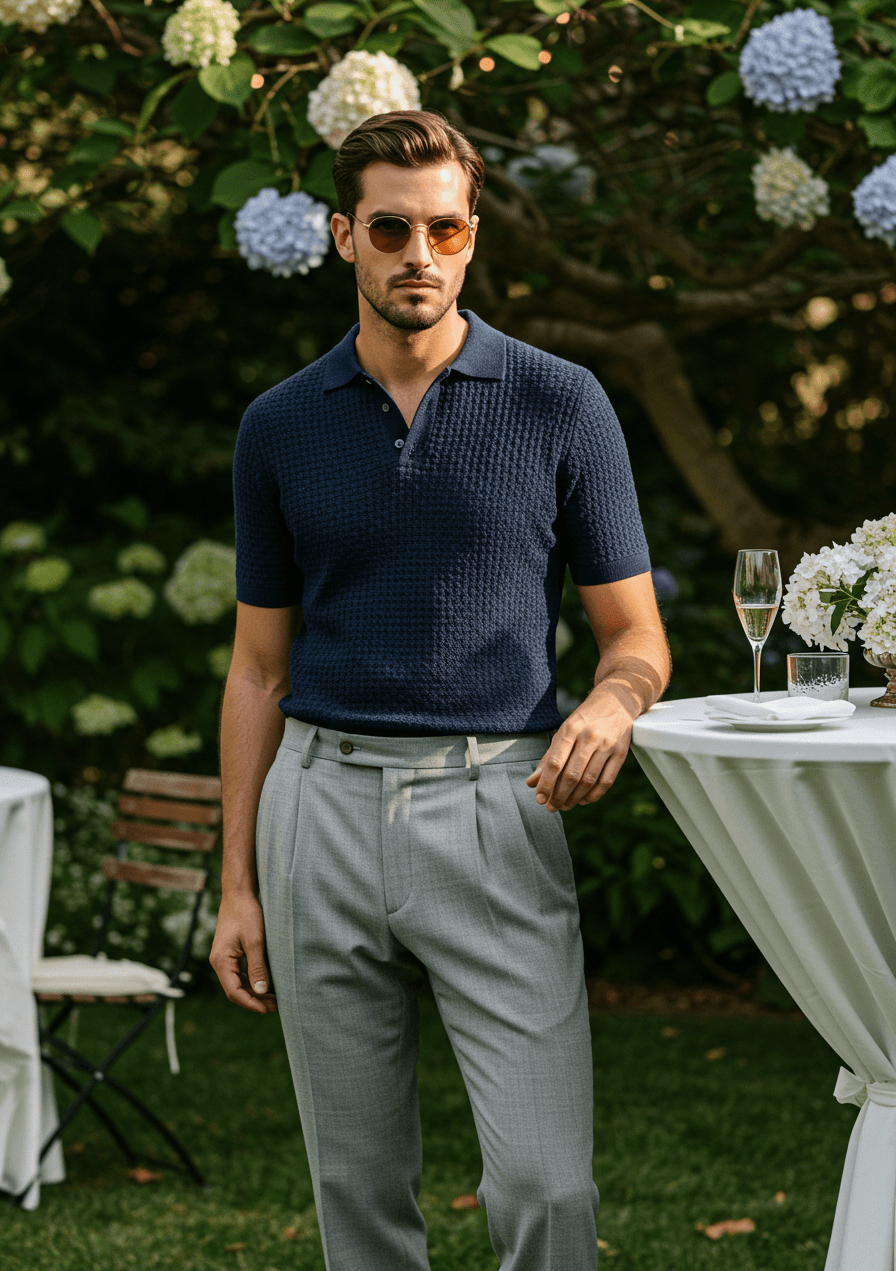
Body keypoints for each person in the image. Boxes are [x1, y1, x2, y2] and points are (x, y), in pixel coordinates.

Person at [210, 108, 671, 1271]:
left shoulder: (560, 401)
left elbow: (635, 640)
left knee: (545, 1184)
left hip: (498, 809)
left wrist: (611, 705)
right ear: (341, 237)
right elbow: (257, 666)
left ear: (472, 239)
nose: (420, 252)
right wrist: (237, 883)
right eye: (390, 227)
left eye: (445, 228)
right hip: (316, 813)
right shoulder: (277, 427)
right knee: (356, 1191)